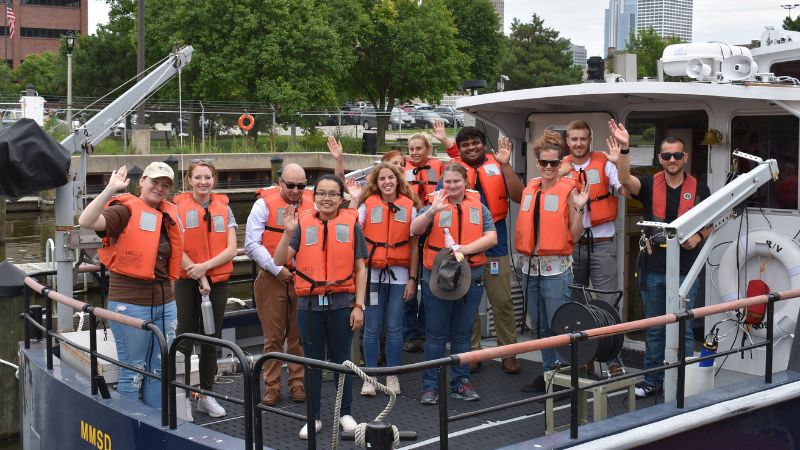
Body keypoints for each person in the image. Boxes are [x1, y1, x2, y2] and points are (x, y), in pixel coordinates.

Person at [613, 126, 712, 398]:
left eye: (677, 156)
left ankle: (683, 382)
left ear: (686, 157)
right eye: (667, 156)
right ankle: (653, 380)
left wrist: (700, 236)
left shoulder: (699, 188)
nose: (672, 161)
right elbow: (624, 179)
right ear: (660, 159)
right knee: (655, 329)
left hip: (685, 270)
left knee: (684, 329)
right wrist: (624, 148)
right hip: (654, 269)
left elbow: (711, 222)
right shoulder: (647, 184)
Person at [78, 162, 182, 409]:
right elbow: (86, 220)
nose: (159, 188)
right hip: (130, 303)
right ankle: (133, 431)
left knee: (158, 367)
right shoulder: (124, 211)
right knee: (133, 369)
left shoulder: (168, 215)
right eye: (155, 182)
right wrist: (109, 190)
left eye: (165, 185)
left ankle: (157, 427)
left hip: (165, 302)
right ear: (142, 182)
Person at [273, 174, 367, 439]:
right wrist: (288, 232)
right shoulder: (301, 225)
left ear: (341, 198)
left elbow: (361, 268)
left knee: (343, 361)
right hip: (309, 305)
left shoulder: (351, 225)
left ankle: (345, 412)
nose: (327, 198)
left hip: (342, 303)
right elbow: (279, 260)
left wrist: (358, 305)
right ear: (314, 198)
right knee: (312, 362)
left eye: (333, 194)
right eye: (322, 193)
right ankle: (313, 416)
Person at [435, 122, 524, 374]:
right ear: (459, 149)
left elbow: (518, 196)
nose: (471, 147)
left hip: (495, 245)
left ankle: (508, 352)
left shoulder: (498, 165)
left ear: (483, 144)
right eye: (465, 144)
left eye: (476, 143)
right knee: (467, 304)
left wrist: (506, 165)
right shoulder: (452, 173)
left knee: (502, 301)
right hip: (463, 248)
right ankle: (471, 352)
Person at [410, 163, 498, 405]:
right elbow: (414, 229)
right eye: (447, 182)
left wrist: (464, 249)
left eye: (456, 182)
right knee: (436, 336)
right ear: (442, 183)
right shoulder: (434, 204)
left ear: (466, 182)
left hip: (470, 276)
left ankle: (461, 382)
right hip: (437, 278)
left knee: (462, 334)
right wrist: (431, 212)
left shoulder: (479, 208)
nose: (452, 186)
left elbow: (492, 237)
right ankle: (430, 386)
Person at [515, 131, 588, 392]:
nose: (548, 167)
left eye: (554, 163)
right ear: (537, 163)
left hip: (556, 270)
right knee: (540, 325)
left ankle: (563, 378)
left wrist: (579, 208)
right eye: (544, 162)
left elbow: (576, 234)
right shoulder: (530, 189)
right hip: (530, 269)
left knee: (559, 325)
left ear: (560, 164)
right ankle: (549, 374)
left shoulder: (570, 192)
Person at [345, 162, 421, 396]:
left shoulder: (410, 206)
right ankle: (370, 376)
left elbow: (414, 246)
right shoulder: (368, 205)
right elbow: (350, 227)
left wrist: (412, 279)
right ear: (376, 183)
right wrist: (355, 199)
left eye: (391, 177)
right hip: (373, 276)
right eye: (382, 179)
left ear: (398, 180)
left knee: (395, 327)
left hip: (399, 276)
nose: (387, 182)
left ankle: (392, 374)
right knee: (372, 327)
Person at [244, 163, 314, 406]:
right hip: (271, 278)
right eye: (291, 185)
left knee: (298, 336)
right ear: (280, 182)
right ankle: (272, 385)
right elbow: (251, 244)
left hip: (302, 278)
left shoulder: (313, 205)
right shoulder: (262, 204)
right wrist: (277, 269)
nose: (296, 191)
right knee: (273, 338)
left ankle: (298, 382)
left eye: (301, 186)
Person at [173, 161, 237, 419]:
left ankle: (207, 395)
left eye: (207, 177)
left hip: (217, 283)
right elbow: (176, 245)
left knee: (211, 339)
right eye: (197, 177)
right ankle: (184, 396)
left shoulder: (225, 209)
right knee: (185, 339)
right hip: (186, 281)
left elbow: (231, 249)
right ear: (189, 180)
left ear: (214, 180)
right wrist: (197, 274)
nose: (203, 182)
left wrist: (205, 269)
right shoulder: (177, 207)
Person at [558, 120, 627, 306]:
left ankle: (608, 336)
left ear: (590, 140)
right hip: (572, 248)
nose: (578, 143)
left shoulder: (605, 163)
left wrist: (620, 161)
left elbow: (627, 190)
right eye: (574, 139)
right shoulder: (558, 168)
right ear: (567, 141)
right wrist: (558, 175)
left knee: (607, 300)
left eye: (583, 139)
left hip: (601, 246)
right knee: (573, 302)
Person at [402, 133, 444, 353]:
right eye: (412, 149)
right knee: (408, 285)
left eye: (419, 148)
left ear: (428, 149)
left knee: (428, 286)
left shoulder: (440, 168)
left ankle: (423, 331)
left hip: (431, 232)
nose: (415, 152)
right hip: (408, 233)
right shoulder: (401, 170)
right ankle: (409, 334)